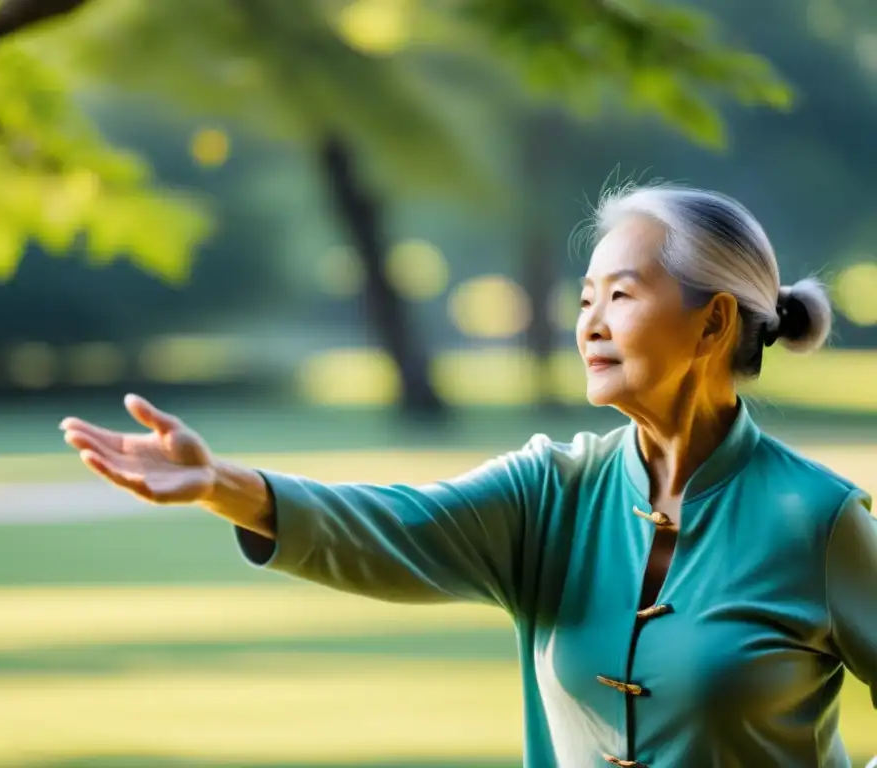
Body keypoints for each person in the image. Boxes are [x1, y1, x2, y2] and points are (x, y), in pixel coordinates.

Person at [60, 184, 877, 768]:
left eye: (621, 295)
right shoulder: (550, 494)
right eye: (585, 296)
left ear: (714, 321)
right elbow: (396, 525)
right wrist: (220, 485)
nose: (589, 323)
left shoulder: (818, 519)